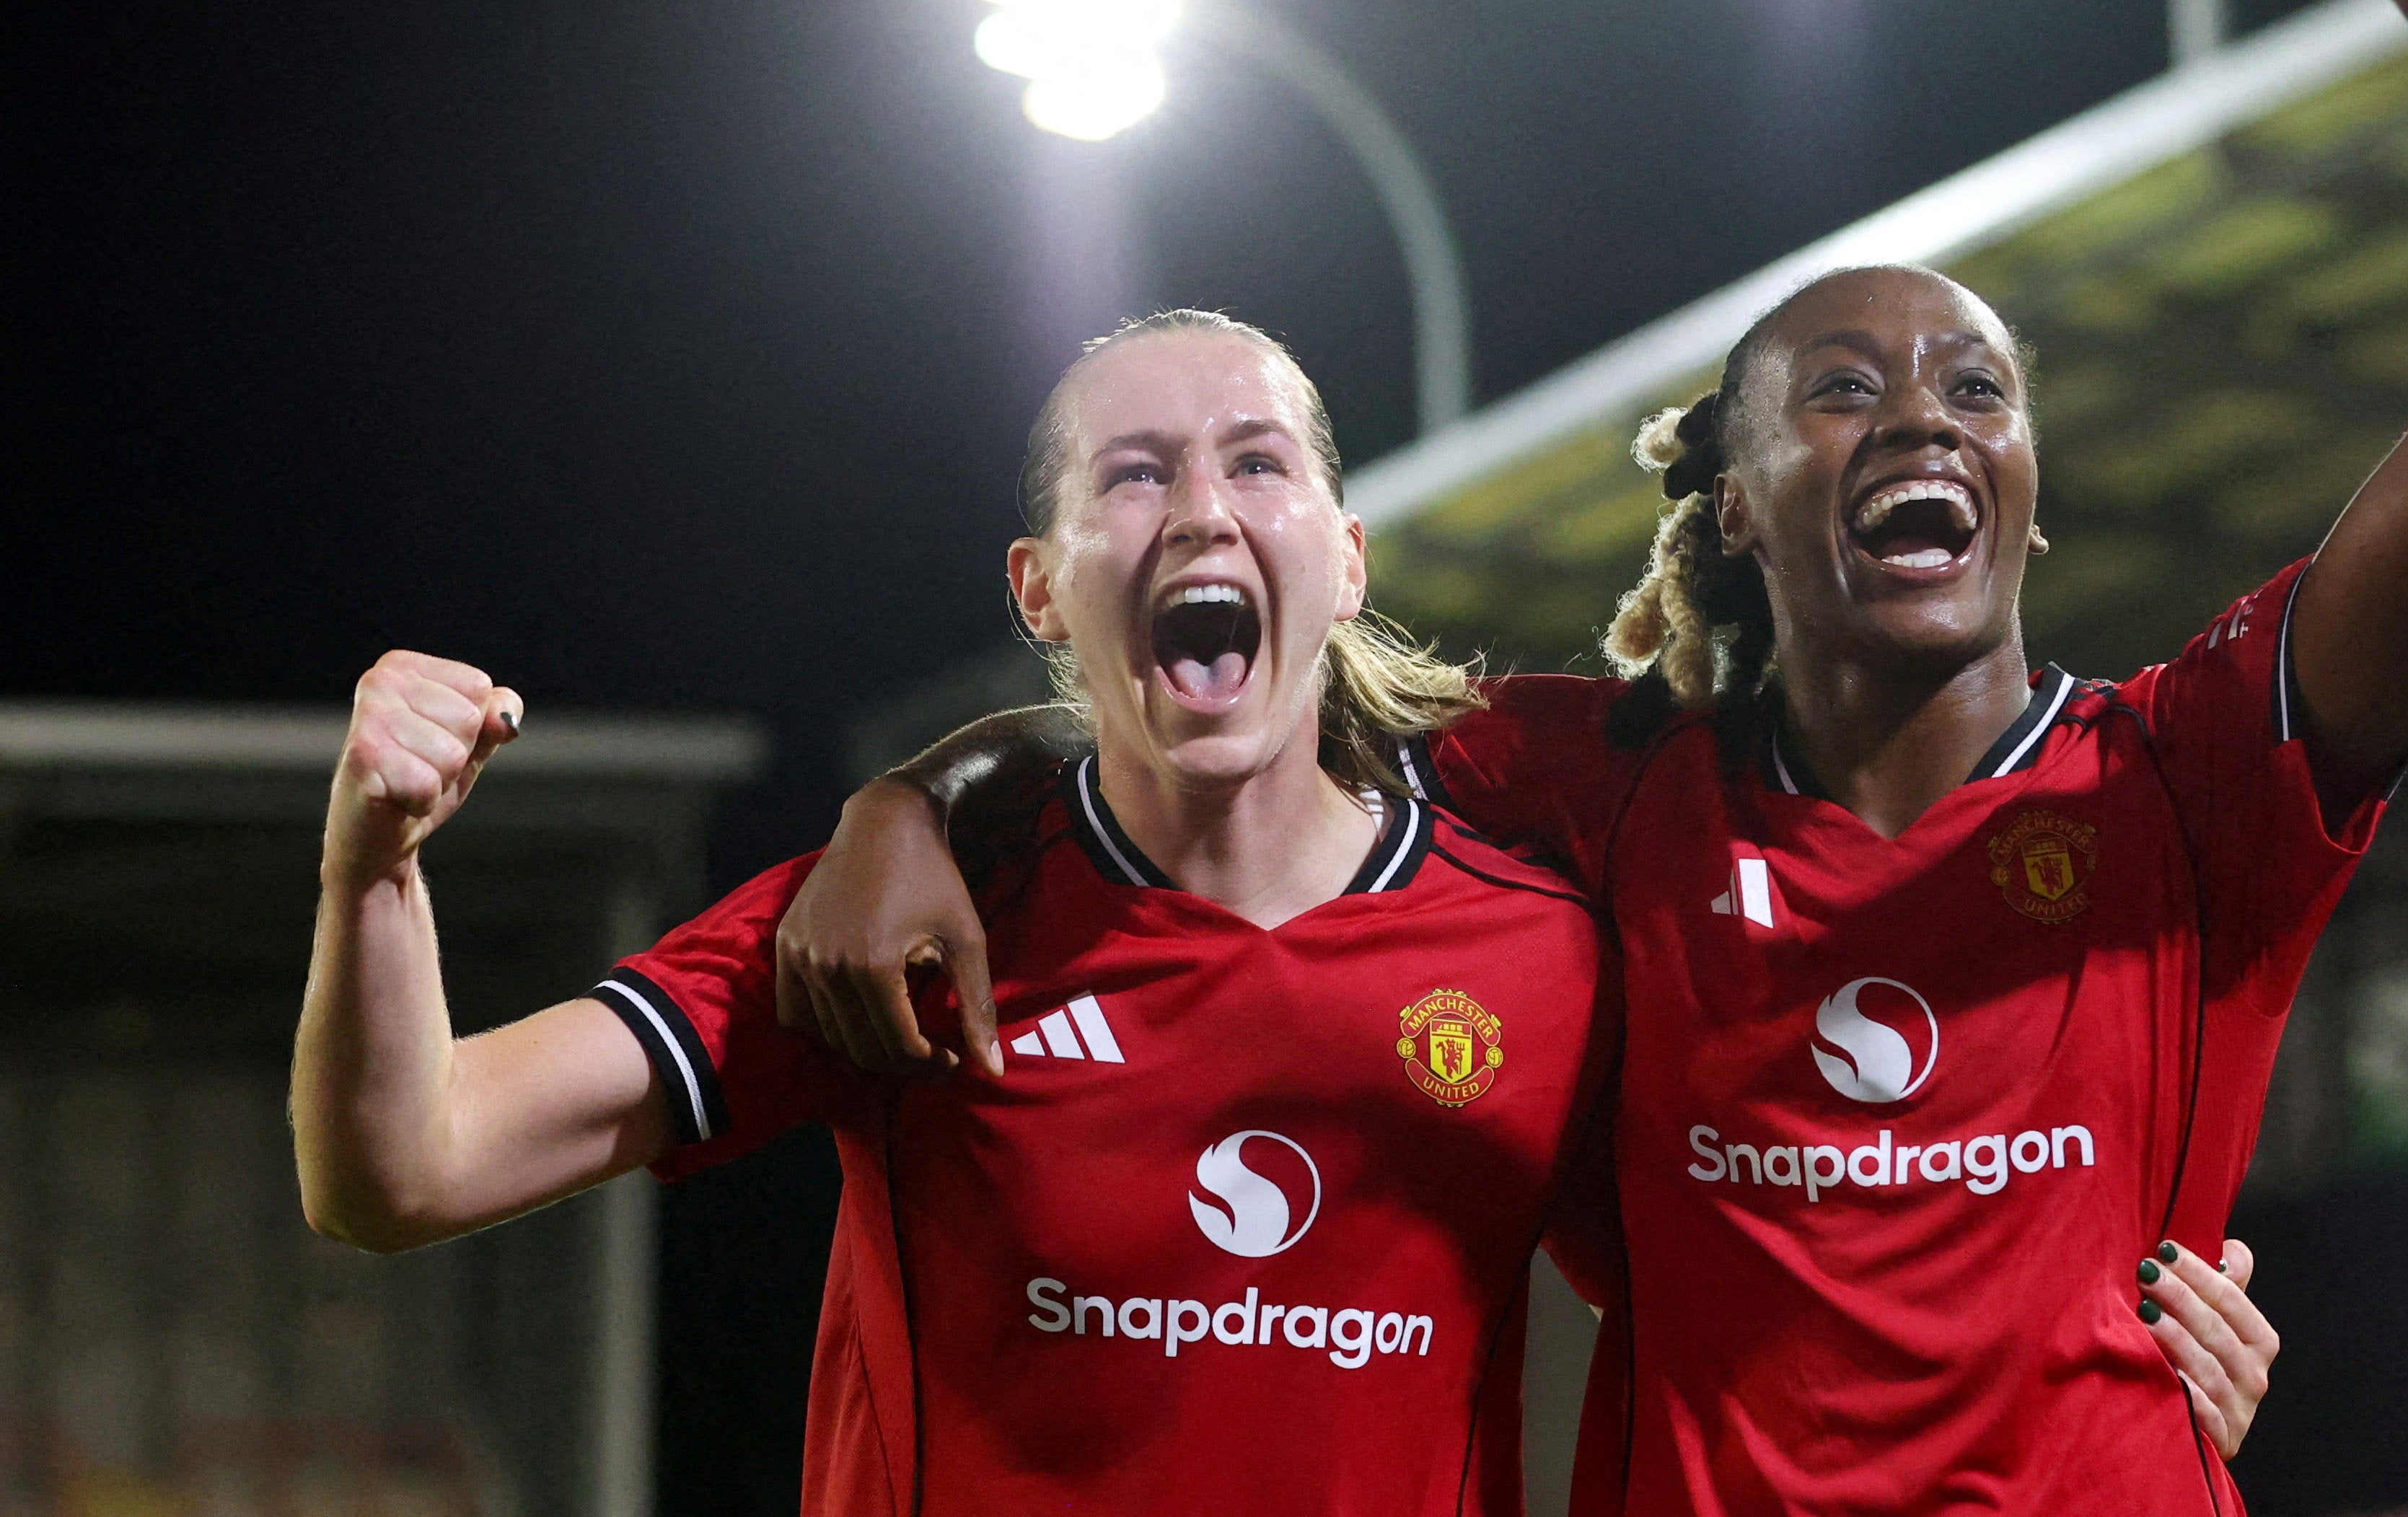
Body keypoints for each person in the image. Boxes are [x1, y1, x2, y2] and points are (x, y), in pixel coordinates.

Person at [783, 0, 2408, 1517]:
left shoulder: (2186, 785)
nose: (1922, 419)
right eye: (1841, 390)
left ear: (2025, 488)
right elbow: (1215, 730)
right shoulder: (1588, 789)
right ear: (1729, 504)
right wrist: (922, 799)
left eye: (1977, 388)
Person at [291, 313, 1630, 1514]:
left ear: (1345, 561)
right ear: (1038, 584)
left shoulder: (1539, 951)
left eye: (1258, 462)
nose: (1203, 510)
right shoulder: (910, 922)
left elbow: (1717, 1292)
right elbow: (405, 1168)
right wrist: (375, 871)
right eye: (1136, 472)